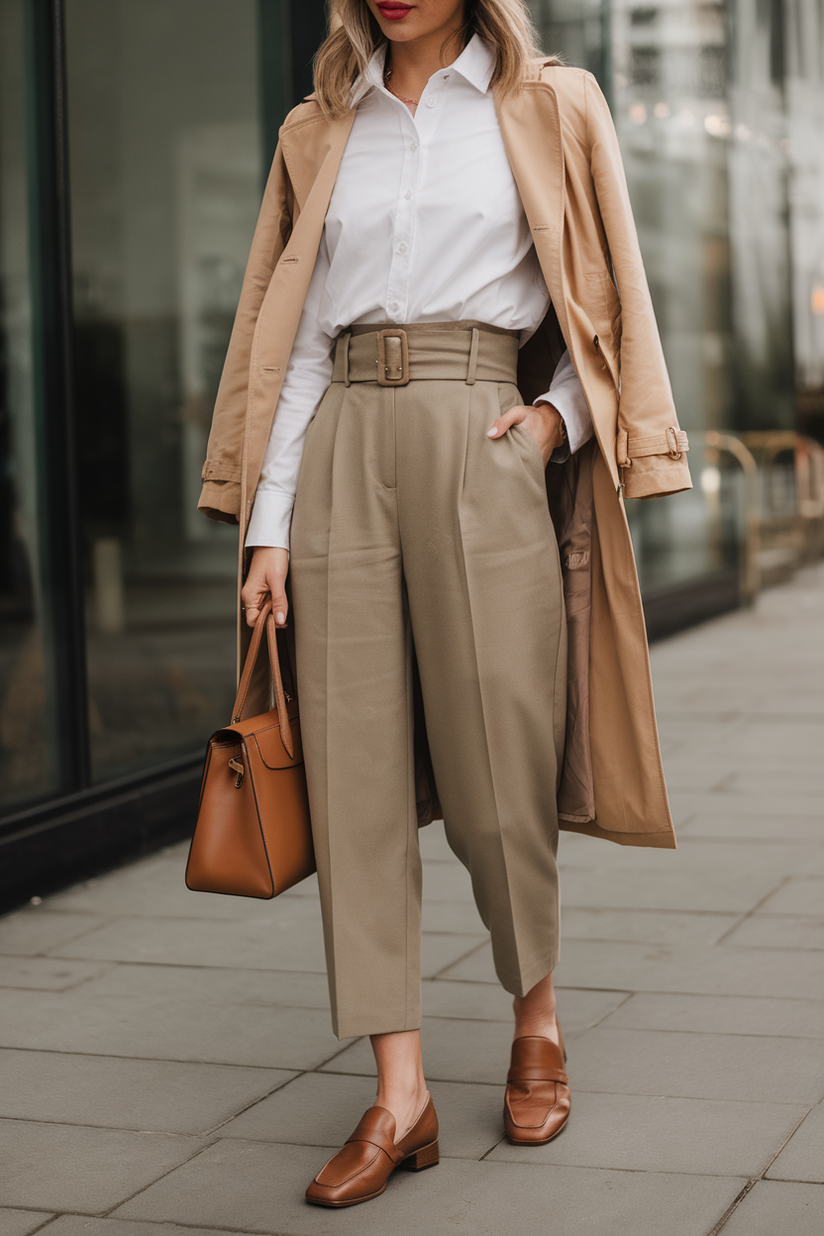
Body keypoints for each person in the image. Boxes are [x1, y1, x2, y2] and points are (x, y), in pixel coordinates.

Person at [198, 0, 692, 1210]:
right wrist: (268, 529)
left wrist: (550, 429)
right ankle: (399, 1091)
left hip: (482, 437)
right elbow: (296, 339)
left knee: (494, 769)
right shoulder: (320, 127)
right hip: (341, 456)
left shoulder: (549, 102)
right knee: (352, 775)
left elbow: (602, 308)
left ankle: (534, 1016)